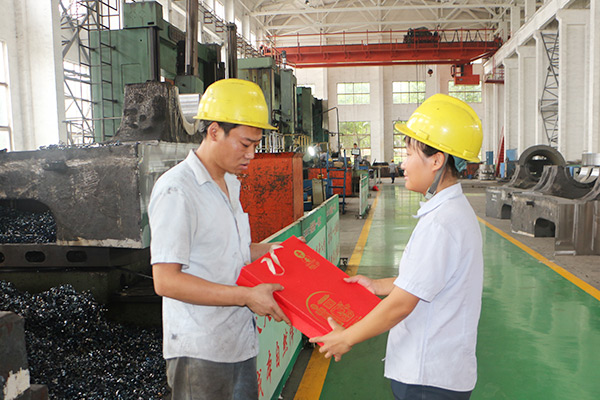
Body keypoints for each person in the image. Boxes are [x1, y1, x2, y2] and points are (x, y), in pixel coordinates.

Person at [311, 93, 484, 400]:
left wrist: (346, 338)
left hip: (428, 379)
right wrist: (376, 285)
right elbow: (427, 280)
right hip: (438, 372)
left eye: (408, 153)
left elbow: (402, 304)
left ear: (436, 161)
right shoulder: (451, 212)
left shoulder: (442, 223)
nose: (402, 163)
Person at [149, 78, 291, 400]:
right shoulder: (178, 190)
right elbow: (166, 281)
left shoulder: (230, 183)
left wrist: (271, 250)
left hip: (238, 341)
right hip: (201, 350)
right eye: (245, 144)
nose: (252, 154)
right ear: (214, 132)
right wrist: (246, 296)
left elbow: (226, 250)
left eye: (256, 145)